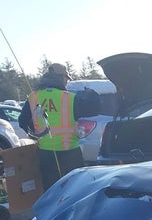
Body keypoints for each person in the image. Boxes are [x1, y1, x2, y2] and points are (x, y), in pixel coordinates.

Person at [19, 62, 100, 190]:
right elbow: (94, 109)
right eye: (66, 79)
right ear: (61, 78)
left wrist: (36, 135)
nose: (66, 82)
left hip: (46, 155)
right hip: (70, 155)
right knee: (72, 192)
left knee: (51, 194)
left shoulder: (34, 97)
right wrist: (92, 94)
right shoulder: (70, 98)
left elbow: (22, 122)